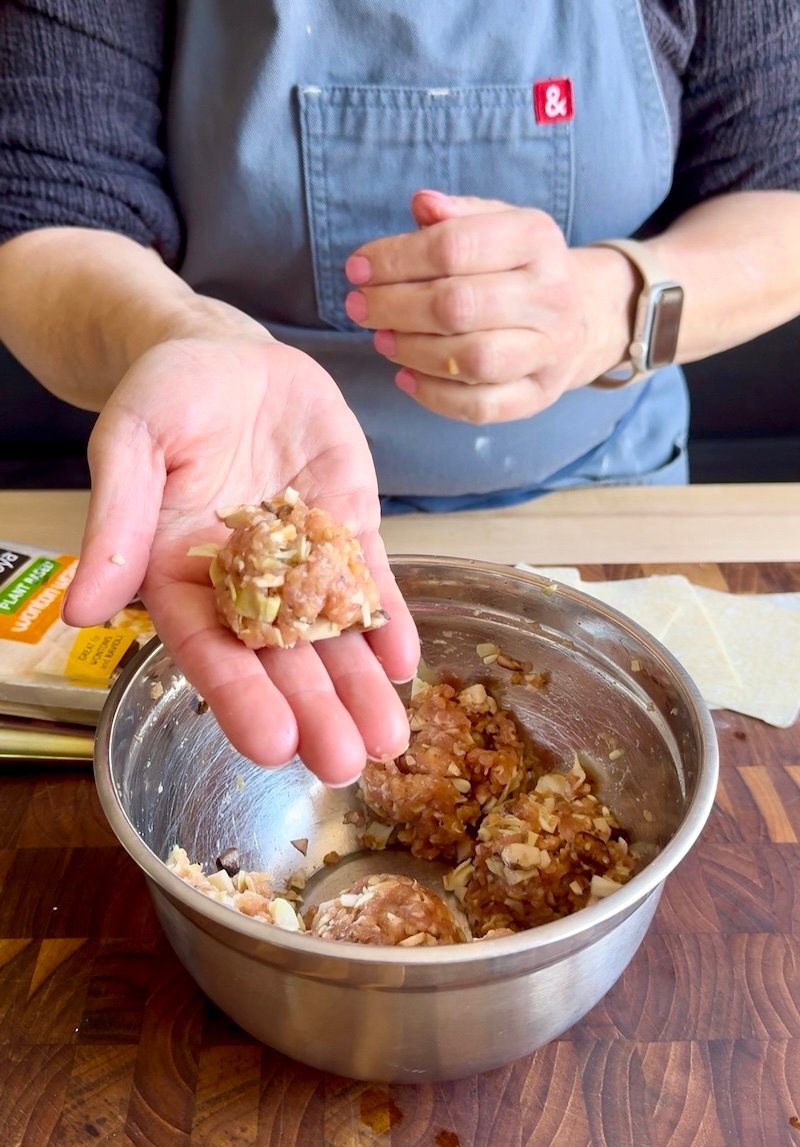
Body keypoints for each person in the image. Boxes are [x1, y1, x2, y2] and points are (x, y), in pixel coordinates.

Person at [0, 1, 798, 786]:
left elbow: (780, 184)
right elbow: (46, 213)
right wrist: (174, 331)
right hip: (216, 492)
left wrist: (612, 306)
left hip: (605, 506)